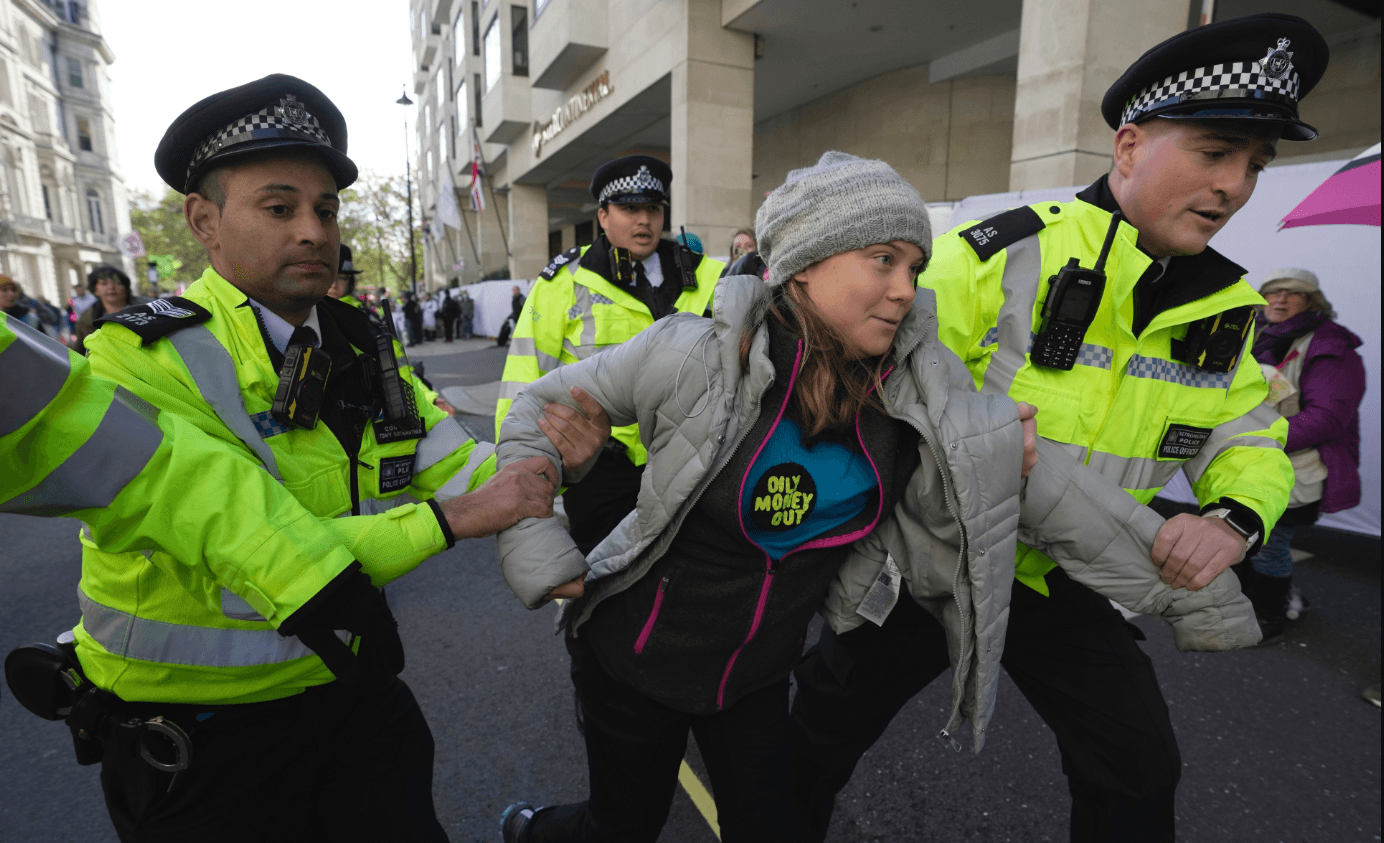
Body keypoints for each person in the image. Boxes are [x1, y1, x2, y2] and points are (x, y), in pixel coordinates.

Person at [493, 152, 1258, 843]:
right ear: (803, 266)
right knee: (621, 827)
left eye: (913, 267)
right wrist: (539, 542)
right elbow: (534, 410)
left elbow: (1059, 497)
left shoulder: (918, 390)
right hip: (632, 661)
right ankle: (538, 829)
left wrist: (1200, 586)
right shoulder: (691, 355)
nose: (904, 290)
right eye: (881, 260)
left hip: (752, 682)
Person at [788, 14, 1322, 843]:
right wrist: (969, 434)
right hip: (937, 560)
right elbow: (863, 374)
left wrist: (1236, 518)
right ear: (1130, 147)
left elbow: (1249, 436)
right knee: (812, 746)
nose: (1235, 186)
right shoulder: (1000, 256)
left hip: (1062, 579)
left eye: (1254, 165)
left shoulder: (1227, 309)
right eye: (1216, 152)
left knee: (1138, 768)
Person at [70, 73, 608, 843]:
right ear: (203, 220)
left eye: (325, 210)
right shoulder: (137, 358)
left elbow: (462, 467)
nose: (314, 232)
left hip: (344, 681)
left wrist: (553, 464)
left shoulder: (360, 340)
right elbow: (257, 545)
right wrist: (448, 521)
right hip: (202, 732)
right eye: (279, 207)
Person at [496, 155, 725, 555]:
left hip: (689, 458)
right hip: (597, 465)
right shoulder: (564, 282)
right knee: (598, 579)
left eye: (653, 209)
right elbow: (524, 375)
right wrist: (517, 470)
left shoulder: (707, 275)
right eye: (630, 208)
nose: (644, 220)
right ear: (603, 216)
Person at [1243, 268, 1364, 640]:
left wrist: (1258, 439)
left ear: (1313, 301)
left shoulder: (1330, 346)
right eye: (1273, 291)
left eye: (1292, 293)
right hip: (1255, 459)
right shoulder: (1256, 334)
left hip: (1300, 468)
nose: (1280, 299)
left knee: (1270, 543)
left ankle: (1269, 618)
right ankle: (1275, 598)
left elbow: (1327, 418)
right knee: (1249, 539)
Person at [74, 264, 144, 354]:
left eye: (117, 282)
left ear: (125, 287)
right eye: (104, 283)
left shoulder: (145, 309)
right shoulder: (87, 318)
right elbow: (79, 351)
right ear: (95, 290)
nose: (111, 287)